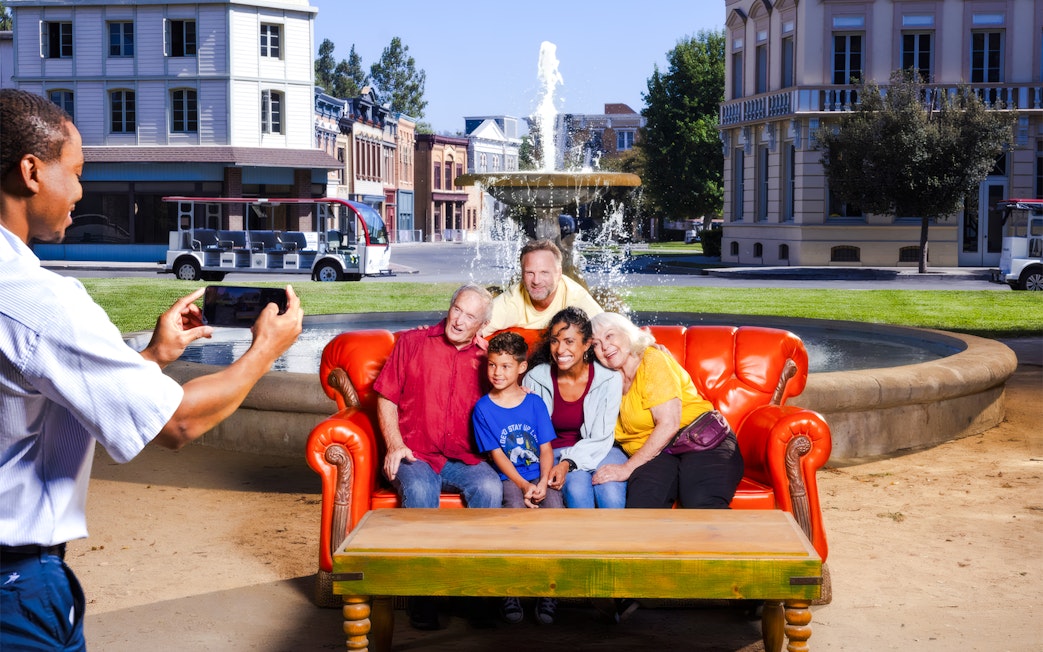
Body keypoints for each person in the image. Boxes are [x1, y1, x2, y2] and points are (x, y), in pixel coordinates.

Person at [0, 88, 304, 650]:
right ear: (31, 172)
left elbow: (25, 399)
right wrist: (267, 347)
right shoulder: (42, 301)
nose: (81, 190)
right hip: (15, 586)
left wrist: (153, 358)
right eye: (76, 171)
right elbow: (177, 424)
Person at [372, 282, 503, 630]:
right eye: (457, 309)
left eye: (470, 316)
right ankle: (423, 597)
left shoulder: (487, 360)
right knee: (419, 492)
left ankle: (472, 594)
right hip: (416, 453)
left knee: (490, 488)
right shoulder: (412, 343)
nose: (459, 320)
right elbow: (386, 396)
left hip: (463, 459)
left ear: (482, 325)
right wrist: (394, 444)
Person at [589, 312, 744, 509]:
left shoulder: (652, 360)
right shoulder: (604, 380)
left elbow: (669, 423)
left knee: (701, 506)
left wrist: (626, 469)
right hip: (657, 453)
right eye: (595, 343)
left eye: (610, 336)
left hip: (701, 440)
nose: (604, 347)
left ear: (627, 333)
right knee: (641, 508)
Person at [472, 331, 561, 625]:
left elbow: (547, 449)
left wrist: (543, 481)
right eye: (492, 365)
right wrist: (523, 485)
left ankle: (549, 591)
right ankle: (509, 590)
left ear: (521, 368)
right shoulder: (482, 409)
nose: (497, 372)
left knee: (556, 516)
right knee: (511, 516)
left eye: (505, 366)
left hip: (541, 475)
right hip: (511, 479)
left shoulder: (534, 403)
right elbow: (498, 455)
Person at [522, 307, 627, 509]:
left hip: (602, 448)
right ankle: (586, 541)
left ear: (587, 344)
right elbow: (528, 434)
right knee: (577, 490)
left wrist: (567, 463)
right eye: (555, 341)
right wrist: (518, 401)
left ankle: (615, 540)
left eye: (569, 341)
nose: (560, 350)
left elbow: (601, 437)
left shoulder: (608, 379)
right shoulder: (535, 378)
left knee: (610, 493)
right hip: (556, 452)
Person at [481, 239, 603, 336]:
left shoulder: (576, 297)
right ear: (522, 274)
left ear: (559, 273)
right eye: (530, 273)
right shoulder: (513, 299)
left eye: (544, 272)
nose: (536, 281)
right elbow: (472, 330)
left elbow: (609, 333)